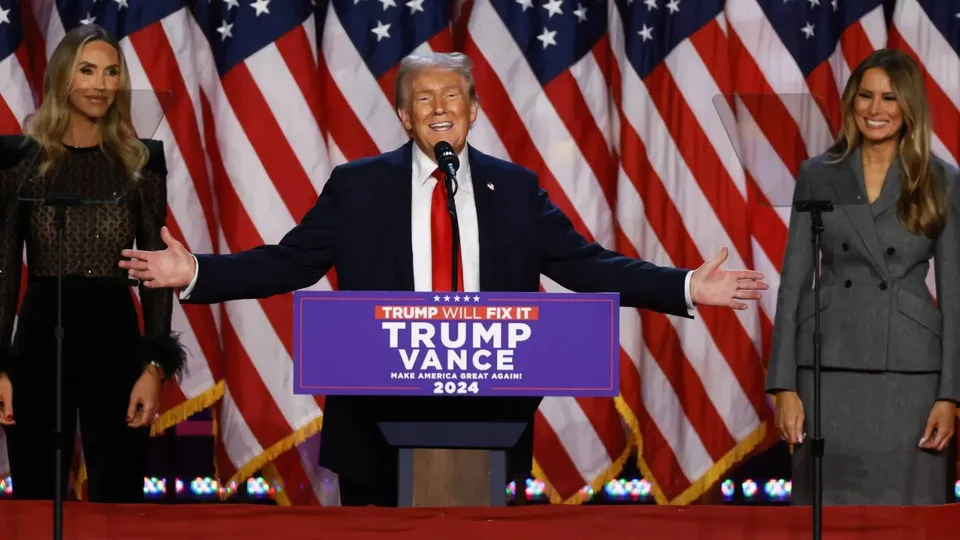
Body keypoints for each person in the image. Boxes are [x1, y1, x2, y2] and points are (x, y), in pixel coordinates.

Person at [119, 51, 768, 506]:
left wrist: (684, 286)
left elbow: (584, 263)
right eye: (423, 98)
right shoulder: (359, 187)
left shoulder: (514, 191)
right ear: (403, 116)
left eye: (450, 96)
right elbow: (290, 262)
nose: (438, 107)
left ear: (474, 110)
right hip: (376, 422)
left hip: (488, 416)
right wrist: (195, 270)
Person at [0, 25, 185, 502]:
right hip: (41, 334)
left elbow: (154, 272)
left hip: (114, 336)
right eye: (87, 70)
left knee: (119, 492)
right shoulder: (21, 161)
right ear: (63, 78)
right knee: (37, 497)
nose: (100, 84)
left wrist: (153, 366)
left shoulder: (140, 164)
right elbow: (2, 269)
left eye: (110, 72)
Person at [767, 48, 959, 506]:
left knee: (907, 520)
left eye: (890, 98)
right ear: (852, 101)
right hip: (827, 370)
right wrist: (785, 385)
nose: (876, 110)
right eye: (866, 96)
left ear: (909, 105)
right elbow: (793, 285)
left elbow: (955, 299)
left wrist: (951, 396)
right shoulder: (818, 174)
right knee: (828, 517)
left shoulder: (940, 180)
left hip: (911, 378)